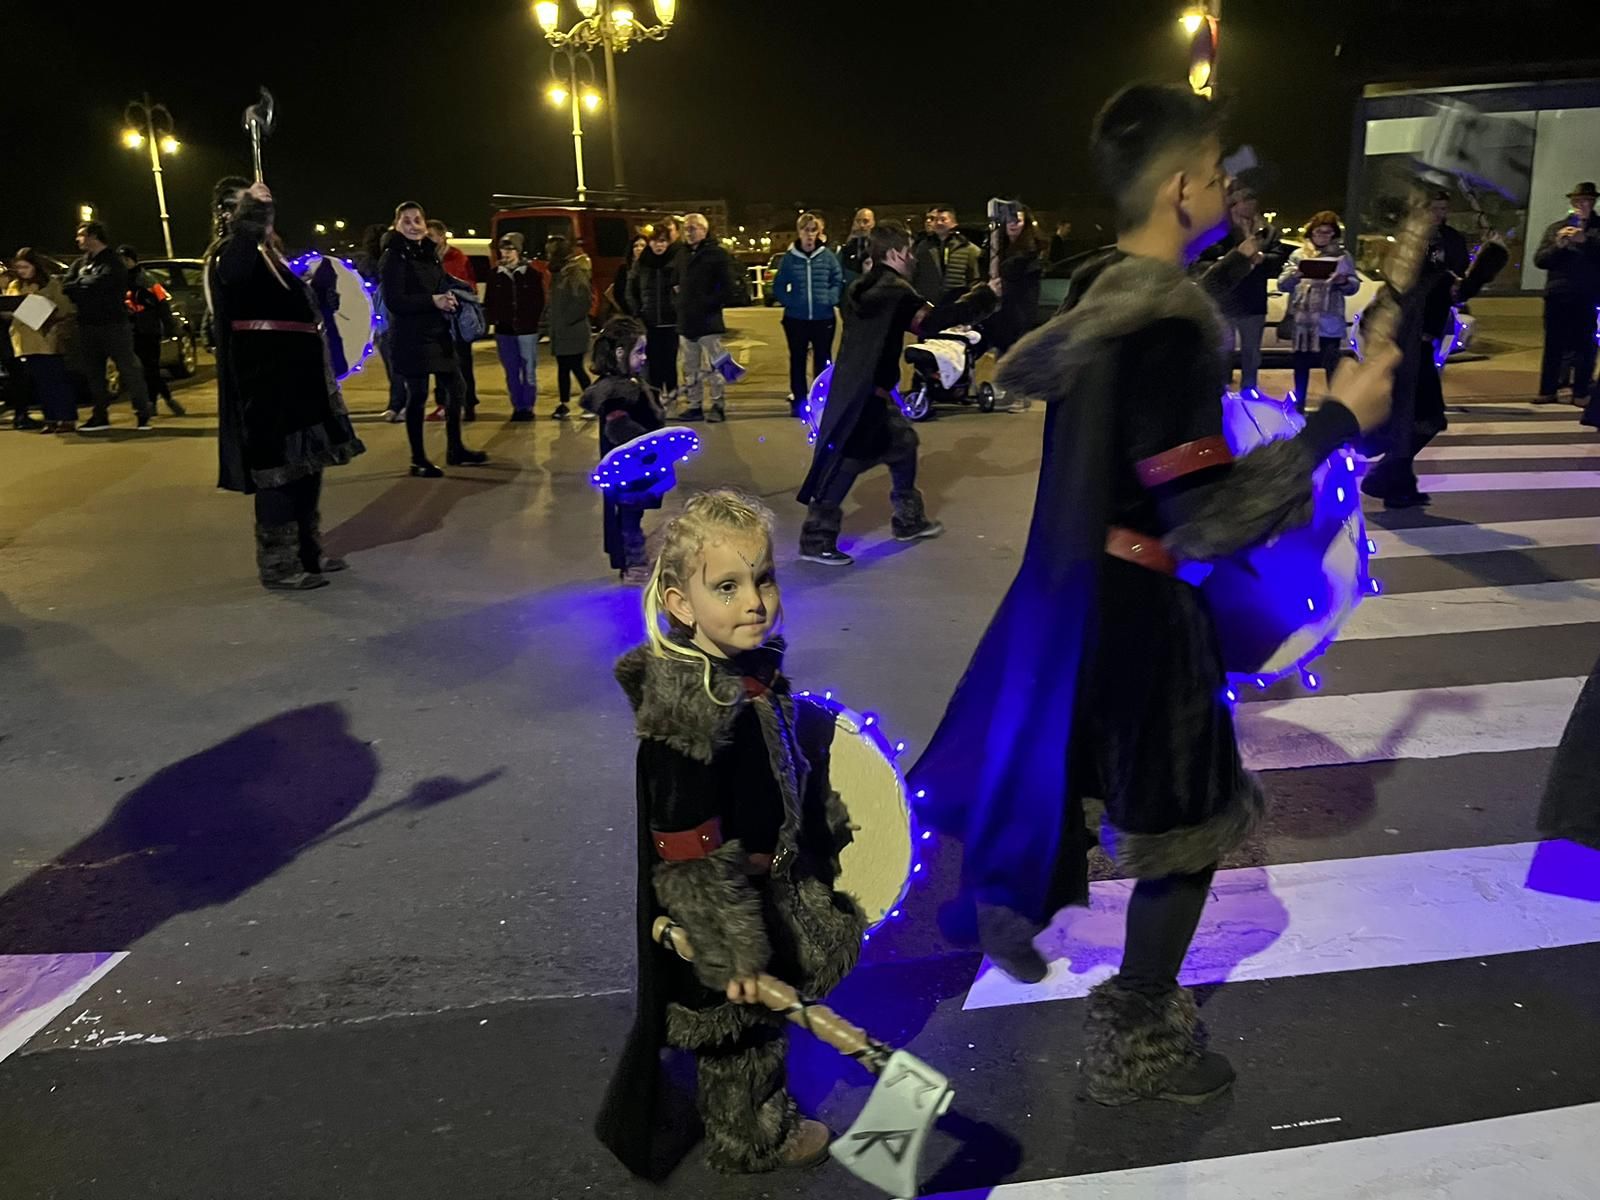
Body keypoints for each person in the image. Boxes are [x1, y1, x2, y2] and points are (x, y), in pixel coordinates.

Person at [908, 84, 1398, 1107]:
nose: (1227, 184)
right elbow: (1207, 516)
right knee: (1193, 823)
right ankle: (1138, 1036)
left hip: (1072, 594)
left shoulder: (1102, 299)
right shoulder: (1170, 331)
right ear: (1180, 188)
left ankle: (1010, 904)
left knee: (1065, 780)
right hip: (1145, 611)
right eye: (1216, 174)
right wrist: (1336, 424)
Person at [594, 488, 865, 1179]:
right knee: (739, 1031)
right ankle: (753, 1138)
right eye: (727, 586)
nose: (754, 601)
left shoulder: (743, 674)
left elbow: (778, 771)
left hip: (761, 880)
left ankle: (751, 1117)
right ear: (680, 604)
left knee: (756, 1024)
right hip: (720, 902)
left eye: (763, 579)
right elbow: (685, 841)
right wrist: (728, 947)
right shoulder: (692, 706)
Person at [796, 220, 995, 566]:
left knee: (903, 446)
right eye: (908, 252)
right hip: (866, 397)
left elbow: (922, 314)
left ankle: (908, 520)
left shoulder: (860, 288)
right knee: (846, 463)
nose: (913, 258)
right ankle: (816, 539)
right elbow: (932, 322)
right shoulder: (894, 291)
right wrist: (986, 296)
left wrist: (974, 292)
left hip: (861, 390)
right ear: (894, 253)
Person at [206, 177, 366, 590]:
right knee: (278, 472)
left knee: (307, 468)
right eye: (249, 208)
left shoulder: (269, 257)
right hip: (268, 381)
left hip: (298, 379)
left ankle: (309, 552)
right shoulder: (231, 253)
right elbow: (238, 276)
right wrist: (252, 215)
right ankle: (279, 564)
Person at [1362, 189, 1470, 509]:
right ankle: (1387, 472)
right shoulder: (1409, 242)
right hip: (1406, 339)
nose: (1438, 214)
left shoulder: (1450, 239)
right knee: (1424, 416)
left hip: (1427, 335)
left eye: (1443, 209)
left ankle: (1398, 481)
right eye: (1433, 208)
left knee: (1414, 415)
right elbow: (1401, 283)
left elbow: (1460, 278)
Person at [380, 201, 487, 476]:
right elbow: (395, 301)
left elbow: (439, 285)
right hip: (410, 337)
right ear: (397, 225)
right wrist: (433, 301)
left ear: (425, 225)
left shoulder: (429, 253)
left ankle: (455, 449)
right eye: (406, 221)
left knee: (457, 387)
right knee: (417, 397)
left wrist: (450, 297)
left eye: (418, 220)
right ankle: (418, 460)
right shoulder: (393, 256)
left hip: (438, 333)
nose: (413, 226)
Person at [579, 315, 665, 585]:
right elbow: (617, 426)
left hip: (634, 465)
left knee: (632, 512)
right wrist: (647, 442)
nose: (643, 357)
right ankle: (633, 564)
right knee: (628, 515)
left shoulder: (629, 383)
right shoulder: (615, 390)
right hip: (629, 467)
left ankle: (632, 561)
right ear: (619, 353)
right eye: (638, 351)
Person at [1191, 183, 1289, 394]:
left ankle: (1249, 391)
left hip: (1253, 304)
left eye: (1248, 201)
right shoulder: (1221, 232)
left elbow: (1279, 259)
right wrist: (1236, 257)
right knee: (1223, 351)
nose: (1243, 206)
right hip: (1225, 303)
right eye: (1237, 202)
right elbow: (1203, 260)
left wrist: (1260, 258)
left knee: (1251, 353)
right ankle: (1222, 389)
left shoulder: (1268, 232)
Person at [64, 219, 151, 432]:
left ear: (94, 237)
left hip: (114, 325)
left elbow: (104, 284)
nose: (78, 239)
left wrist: (82, 285)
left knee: (128, 368)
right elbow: (66, 286)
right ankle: (100, 416)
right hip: (87, 325)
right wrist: (84, 284)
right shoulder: (80, 263)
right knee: (94, 372)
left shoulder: (113, 261)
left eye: (82, 235)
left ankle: (142, 412)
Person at [1277, 211, 1359, 410]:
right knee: (1301, 366)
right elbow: (1282, 284)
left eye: (1328, 233)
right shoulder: (1299, 255)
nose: (1323, 236)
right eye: (1319, 232)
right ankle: (1299, 404)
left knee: (1332, 366)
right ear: (1311, 232)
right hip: (1304, 323)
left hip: (1330, 321)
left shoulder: (1341, 256)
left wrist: (1343, 281)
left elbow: (1354, 286)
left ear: (1334, 234)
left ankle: (1332, 408)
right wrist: (1295, 276)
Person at [1533, 181, 1600, 417]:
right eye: (1578, 201)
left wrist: (1586, 242)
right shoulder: (1556, 228)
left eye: (1587, 201)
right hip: (1558, 293)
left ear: (1593, 203)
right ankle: (1548, 389)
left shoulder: (1597, 229)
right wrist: (1558, 245)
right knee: (1553, 343)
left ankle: (1580, 390)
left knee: (1585, 345)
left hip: (1587, 293)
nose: (1582, 205)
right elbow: (1540, 260)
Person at [771, 212, 843, 418]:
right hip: (796, 319)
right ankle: (800, 400)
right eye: (805, 230)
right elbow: (779, 285)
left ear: (819, 232)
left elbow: (837, 280)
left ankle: (820, 399)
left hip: (823, 317)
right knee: (798, 360)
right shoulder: (790, 258)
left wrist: (830, 298)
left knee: (823, 360)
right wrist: (791, 301)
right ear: (799, 232)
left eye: (813, 230)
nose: (809, 235)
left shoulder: (828, 256)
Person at [675, 213, 744, 422]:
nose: (689, 231)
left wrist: (708, 302)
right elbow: (674, 282)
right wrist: (678, 302)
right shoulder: (681, 254)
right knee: (690, 367)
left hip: (708, 320)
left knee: (715, 365)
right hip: (686, 321)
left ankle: (717, 404)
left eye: (693, 227)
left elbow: (728, 287)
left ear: (704, 230)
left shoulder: (717, 255)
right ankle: (694, 405)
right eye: (686, 228)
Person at [4, 248, 77, 432]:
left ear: (35, 266)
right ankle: (50, 419)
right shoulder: (15, 286)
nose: (21, 271)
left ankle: (66, 418)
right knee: (40, 383)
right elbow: (10, 308)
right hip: (25, 340)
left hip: (47, 338)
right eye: (18, 267)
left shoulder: (50, 285)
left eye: (25, 267)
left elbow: (65, 308)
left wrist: (48, 314)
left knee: (55, 380)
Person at [485, 231, 545, 422]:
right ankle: (517, 406)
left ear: (519, 251)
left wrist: (535, 323)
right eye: (504, 249)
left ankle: (528, 406)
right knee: (511, 371)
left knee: (528, 370)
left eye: (511, 249)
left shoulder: (532, 274)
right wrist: (493, 320)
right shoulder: (495, 275)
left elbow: (539, 301)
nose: (506, 253)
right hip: (505, 331)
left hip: (527, 330)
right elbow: (490, 302)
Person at [118, 245, 185, 417]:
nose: (124, 263)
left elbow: (163, 305)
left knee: (151, 368)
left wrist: (170, 327)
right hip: (131, 330)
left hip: (149, 329)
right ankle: (157, 402)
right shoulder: (119, 281)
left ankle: (158, 401)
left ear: (134, 260)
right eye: (121, 260)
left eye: (127, 259)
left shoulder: (146, 280)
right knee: (144, 370)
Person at [427, 220, 479, 421]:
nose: (427, 240)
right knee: (439, 365)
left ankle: (468, 404)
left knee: (463, 365)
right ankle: (443, 404)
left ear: (442, 236)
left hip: (458, 321)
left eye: (431, 236)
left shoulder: (457, 258)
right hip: (436, 321)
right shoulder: (426, 259)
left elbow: (469, 286)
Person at [628, 224, 684, 410]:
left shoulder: (676, 260)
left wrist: (679, 307)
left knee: (670, 359)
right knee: (653, 360)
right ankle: (657, 395)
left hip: (671, 320)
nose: (658, 246)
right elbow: (631, 290)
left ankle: (673, 392)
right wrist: (638, 311)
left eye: (662, 241)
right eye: (654, 241)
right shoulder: (642, 263)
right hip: (649, 320)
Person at [356, 223, 406, 422]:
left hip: (389, 321)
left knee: (396, 367)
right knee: (396, 366)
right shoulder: (374, 264)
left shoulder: (391, 261)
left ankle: (399, 404)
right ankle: (398, 404)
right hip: (385, 321)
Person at [544, 234, 593, 420]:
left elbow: (583, 300)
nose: (547, 255)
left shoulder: (572, 272)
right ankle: (564, 404)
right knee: (563, 368)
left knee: (575, 367)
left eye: (550, 251)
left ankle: (591, 403)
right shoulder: (559, 273)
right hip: (562, 329)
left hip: (572, 330)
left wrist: (565, 320)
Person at [988, 204, 1045, 359]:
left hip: (1018, 322)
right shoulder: (996, 249)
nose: (1012, 224)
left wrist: (1001, 286)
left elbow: (1024, 289)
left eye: (1017, 220)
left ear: (1025, 223)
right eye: (1008, 220)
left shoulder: (1031, 253)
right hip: (999, 322)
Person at [911, 206, 983, 303]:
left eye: (943, 220)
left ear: (953, 223)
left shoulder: (968, 248)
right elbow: (915, 274)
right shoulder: (922, 247)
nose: (939, 223)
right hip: (929, 303)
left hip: (958, 302)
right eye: (935, 220)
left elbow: (975, 278)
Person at [837, 207, 875, 288]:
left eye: (865, 221)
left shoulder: (879, 247)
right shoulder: (846, 249)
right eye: (858, 221)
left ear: (873, 223)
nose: (861, 225)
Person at [612, 234, 647, 317]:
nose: (638, 249)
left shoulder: (653, 268)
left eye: (642, 245)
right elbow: (618, 293)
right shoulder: (624, 269)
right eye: (635, 246)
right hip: (631, 313)